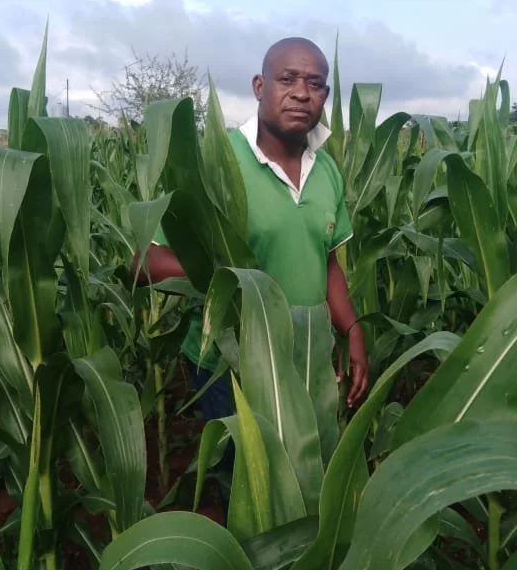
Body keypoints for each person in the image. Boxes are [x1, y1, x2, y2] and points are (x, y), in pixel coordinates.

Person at [137, 36, 370, 434]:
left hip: (304, 356)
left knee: (301, 474)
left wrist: (351, 329)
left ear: (325, 96)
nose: (301, 93)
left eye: (314, 84)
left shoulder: (326, 170)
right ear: (260, 87)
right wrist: (242, 281)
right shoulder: (217, 165)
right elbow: (146, 263)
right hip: (230, 363)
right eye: (288, 79)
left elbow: (326, 260)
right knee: (247, 481)